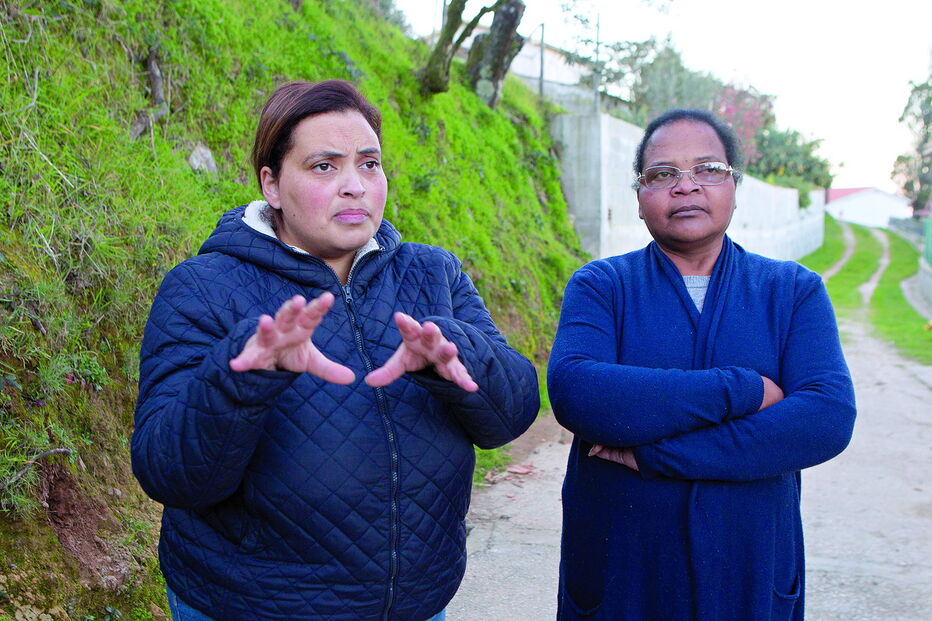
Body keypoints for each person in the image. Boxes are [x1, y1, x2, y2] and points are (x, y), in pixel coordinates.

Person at [131, 79, 539, 620]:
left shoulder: (432, 273)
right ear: (272, 184)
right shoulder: (203, 287)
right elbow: (170, 473)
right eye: (325, 166)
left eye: (369, 164)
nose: (355, 186)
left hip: (418, 604)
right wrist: (242, 379)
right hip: (249, 605)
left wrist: (458, 358)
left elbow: (511, 415)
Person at [547, 109, 856, 621]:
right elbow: (580, 392)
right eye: (662, 174)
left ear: (735, 186)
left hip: (749, 575)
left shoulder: (793, 291)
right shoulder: (601, 286)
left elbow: (826, 419)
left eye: (708, 169)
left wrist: (656, 456)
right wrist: (745, 389)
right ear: (639, 197)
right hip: (623, 577)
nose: (685, 187)